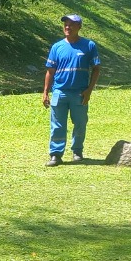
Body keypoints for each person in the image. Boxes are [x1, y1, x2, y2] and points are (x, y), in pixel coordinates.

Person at [42, 13, 101, 167]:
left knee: (80, 123)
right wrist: (45, 92)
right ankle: (55, 155)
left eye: (72, 25)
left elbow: (96, 69)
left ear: (79, 27)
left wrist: (89, 90)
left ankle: (77, 151)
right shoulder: (57, 47)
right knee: (57, 125)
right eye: (66, 25)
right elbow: (50, 71)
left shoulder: (89, 46)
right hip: (59, 92)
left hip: (80, 93)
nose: (67, 27)